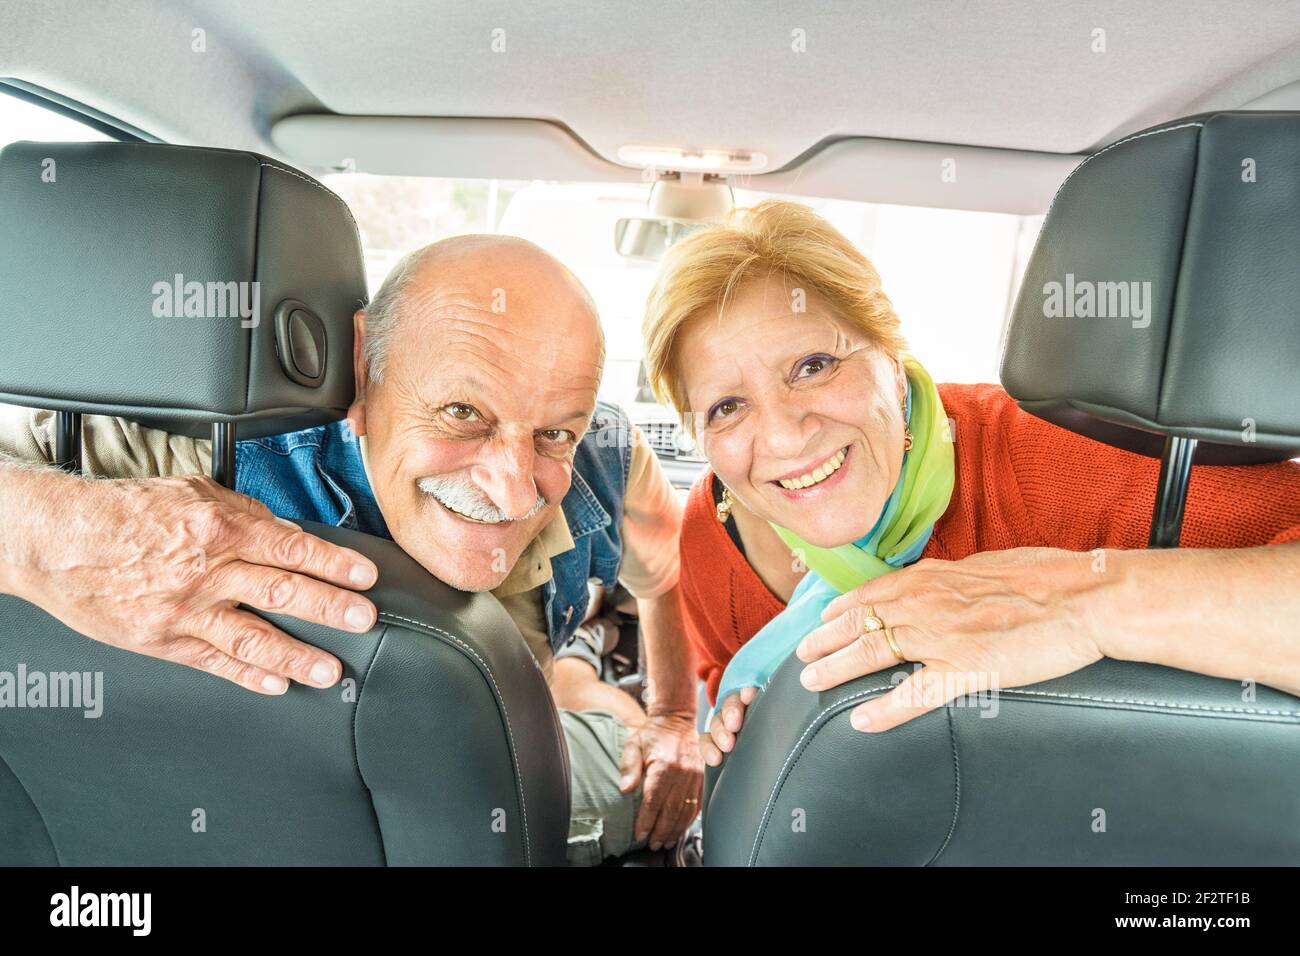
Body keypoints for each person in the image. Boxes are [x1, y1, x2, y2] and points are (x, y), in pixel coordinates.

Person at [0, 235, 703, 863]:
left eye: (554, 433)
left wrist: (674, 720)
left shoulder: (608, 456)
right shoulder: (200, 456)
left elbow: (663, 574)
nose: (515, 490)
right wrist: (73, 532)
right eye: (463, 413)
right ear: (365, 370)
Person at [639, 199, 1300, 767]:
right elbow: (724, 685)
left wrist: (1079, 604)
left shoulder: (1059, 460)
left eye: (814, 365)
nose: (783, 437)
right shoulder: (714, 530)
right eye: (727, 406)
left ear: (894, 364)